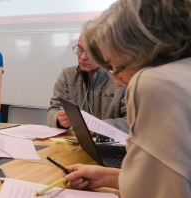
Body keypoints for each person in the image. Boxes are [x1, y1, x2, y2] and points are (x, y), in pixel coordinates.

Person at [61, 0, 191, 197]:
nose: (118, 83)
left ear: (145, 50)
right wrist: (108, 178)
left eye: (116, 68)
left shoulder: (155, 83)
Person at [46, 34, 129, 133]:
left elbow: (131, 122)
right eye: (80, 48)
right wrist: (59, 119)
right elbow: (53, 110)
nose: (83, 56)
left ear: (106, 53)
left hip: (112, 146)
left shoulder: (122, 78)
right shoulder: (67, 76)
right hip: (75, 143)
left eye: (91, 52)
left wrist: (97, 127)